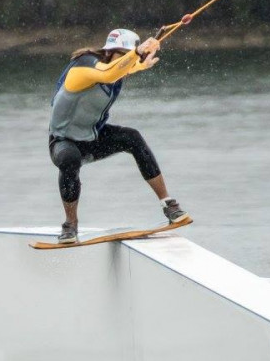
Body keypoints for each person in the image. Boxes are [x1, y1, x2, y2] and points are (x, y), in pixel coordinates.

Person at [47, 28, 189, 244]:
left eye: (127, 56)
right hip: (64, 141)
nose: (126, 62)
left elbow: (122, 68)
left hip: (93, 139)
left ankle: (169, 205)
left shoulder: (116, 65)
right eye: (123, 56)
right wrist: (136, 53)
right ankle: (70, 226)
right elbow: (108, 73)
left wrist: (142, 60)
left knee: (132, 137)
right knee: (69, 160)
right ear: (111, 52)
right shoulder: (84, 65)